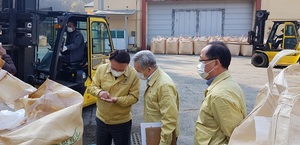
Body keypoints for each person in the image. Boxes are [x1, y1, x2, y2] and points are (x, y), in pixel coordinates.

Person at [194, 41, 246, 145]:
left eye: (201, 60)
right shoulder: (225, 84)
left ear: (216, 63)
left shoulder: (220, 95)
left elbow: (235, 135)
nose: (199, 65)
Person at [88, 50, 140, 145]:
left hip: (122, 122)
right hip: (101, 119)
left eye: (120, 70)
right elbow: (92, 87)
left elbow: (134, 97)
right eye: (113, 68)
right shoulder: (101, 69)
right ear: (110, 62)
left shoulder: (133, 75)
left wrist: (117, 100)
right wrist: (100, 92)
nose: (116, 71)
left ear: (127, 65)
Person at [132, 50, 180, 145]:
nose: (137, 73)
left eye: (138, 71)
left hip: (163, 135)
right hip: (154, 131)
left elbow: (169, 119)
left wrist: (163, 142)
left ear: (149, 69)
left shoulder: (164, 85)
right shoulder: (154, 79)